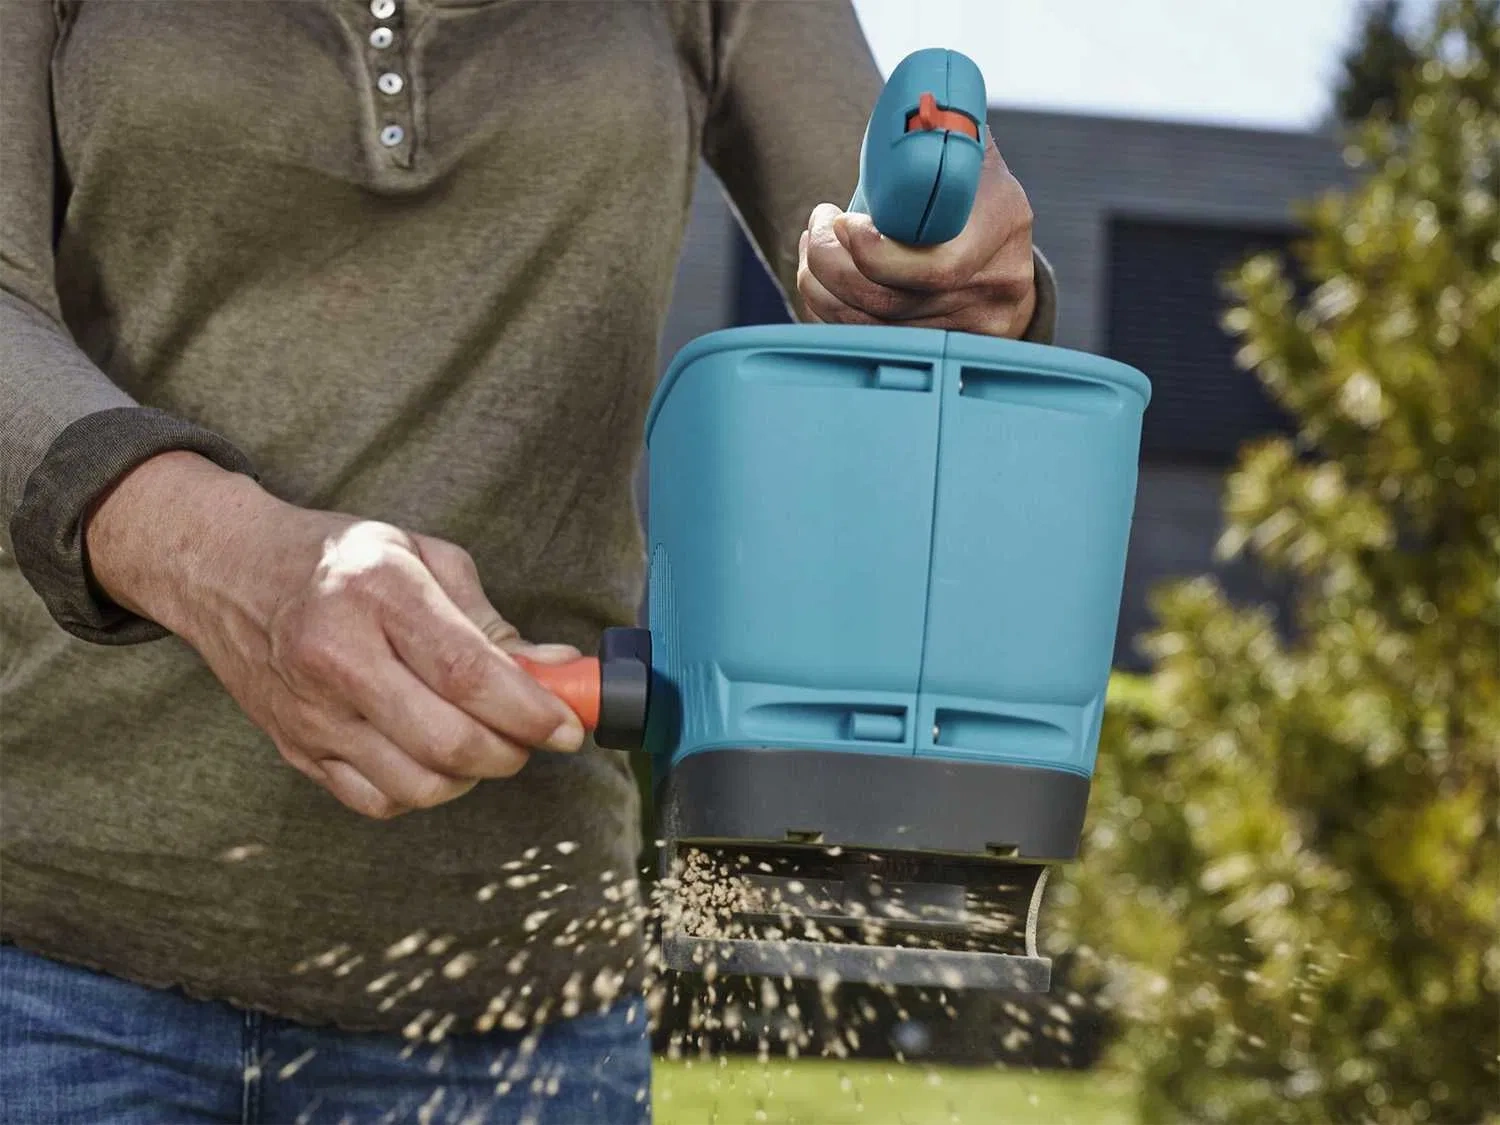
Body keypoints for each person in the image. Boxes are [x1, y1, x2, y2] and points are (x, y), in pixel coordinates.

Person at [0, 1, 1055, 1122]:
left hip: (524, 998)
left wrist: (958, 287)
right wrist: (218, 554)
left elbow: (910, 282)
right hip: (56, 963)